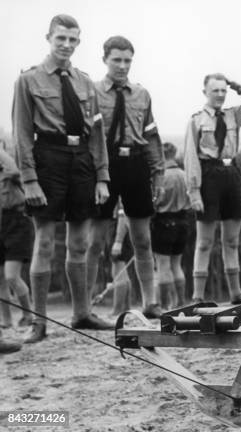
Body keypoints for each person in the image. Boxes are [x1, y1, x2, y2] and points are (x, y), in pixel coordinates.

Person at [12, 14, 111, 343]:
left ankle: (81, 313)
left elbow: (96, 133)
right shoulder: (28, 80)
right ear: (49, 38)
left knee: (80, 242)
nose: (67, 45)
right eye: (61, 39)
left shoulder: (85, 82)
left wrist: (102, 177)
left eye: (73, 40)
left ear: (78, 42)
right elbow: (22, 133)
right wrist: (29, 180)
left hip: (81, 160)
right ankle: (39, 324)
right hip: (48, 160)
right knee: (44, 243)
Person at [85, 36, 164, 319]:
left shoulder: (142, 94)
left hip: (136, 164)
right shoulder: (91, 91)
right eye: (116, 60)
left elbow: (152, 135)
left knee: (142, 239)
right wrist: (94, 175)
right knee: (95, 240)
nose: (122, 66)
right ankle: (85, 308)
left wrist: (158, 173)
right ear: (104, 59)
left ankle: (150, 301)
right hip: (104, 166)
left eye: (127, 60)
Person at [183, 74, 241, 304]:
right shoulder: (196, 120)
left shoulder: (233, 115)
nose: (219, 95)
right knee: (205, 241)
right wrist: (194, 191)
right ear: (205, 92)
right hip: (208, 177)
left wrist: (235, 84)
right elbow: (190, 157)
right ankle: (198, 296)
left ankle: (236, 293)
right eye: (215, 90)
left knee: (231, 240)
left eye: (223, 90)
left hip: (231, 175)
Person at [152, 142, 191, 309]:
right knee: (177, 265)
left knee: (163, 266)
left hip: (164, 222)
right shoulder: (184, 175)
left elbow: (155, 202)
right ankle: (181, 302)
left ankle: (165, 305)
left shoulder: (162, 177)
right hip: (183, 222)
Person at [0, 148, 34, 328]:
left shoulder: (10, 173)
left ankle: (28, 315)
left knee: (12, 276)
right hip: (2, 225)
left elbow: (13, 169)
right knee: (1, 280)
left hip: (17, 222)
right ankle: (6, 321)